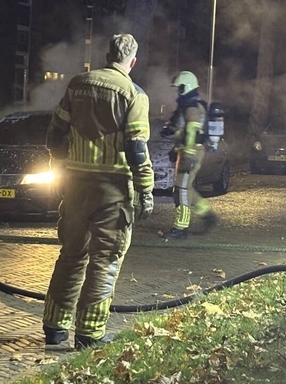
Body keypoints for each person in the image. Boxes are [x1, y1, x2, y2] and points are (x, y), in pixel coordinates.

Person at [42, 33, 155, 350]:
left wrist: (60, 169)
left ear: (107, 56)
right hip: (112, 190)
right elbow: (136, 149)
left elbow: (54, 136)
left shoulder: (77, 84)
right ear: (132, 61)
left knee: (71, 255)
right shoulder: (134, 94)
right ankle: (89, 333)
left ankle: (54, 326)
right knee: (104, 260)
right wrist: (146, 190)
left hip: (75, 186)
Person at [161, 71, 219, 240]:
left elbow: (192, 132)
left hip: (190, 152)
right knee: (186, 188)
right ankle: (207, 215)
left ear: (185, 87)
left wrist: (187, 154)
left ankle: (180, 228)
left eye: (179, 88)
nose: (177, 92)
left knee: (181, 190)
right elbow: (182, 130)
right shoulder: (188, 105)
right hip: (188, 150)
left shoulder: (192, 107)